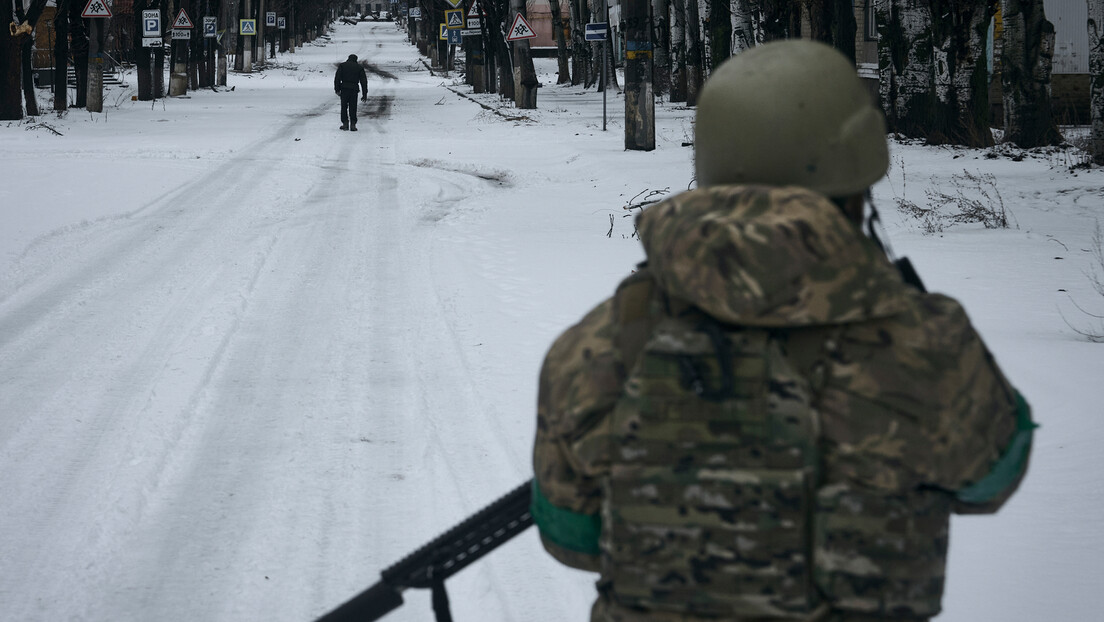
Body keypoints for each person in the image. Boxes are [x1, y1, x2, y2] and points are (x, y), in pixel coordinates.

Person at [531, 39, 1034, 622]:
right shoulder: (929, 344)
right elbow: (993, 476)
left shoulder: (596, 346)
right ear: (859, 171)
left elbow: (571, 537)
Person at [334, 54, 368, 131]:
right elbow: (364, 81)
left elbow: (337, 78)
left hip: (344, 89)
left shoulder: (342, 66)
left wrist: (337, 89)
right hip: (354, 89)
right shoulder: (359, 67)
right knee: (353, 107)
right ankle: (353, 124)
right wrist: (364, 94)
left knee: (344, 106)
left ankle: (345, 123)